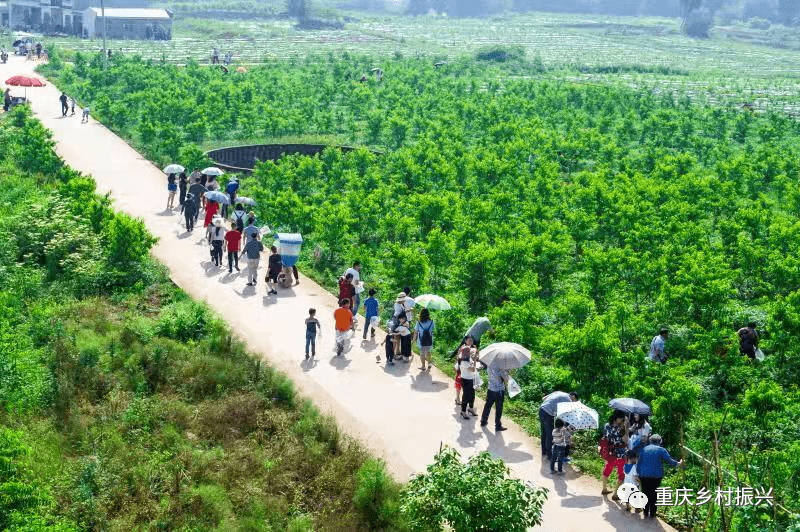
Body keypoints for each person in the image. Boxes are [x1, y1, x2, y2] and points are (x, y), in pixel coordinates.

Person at [637, 435, 682, 519]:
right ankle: (653, 513)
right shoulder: (661, 450)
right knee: (654, 494)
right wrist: (678, 463)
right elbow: (670, 461)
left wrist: (638, 474)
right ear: (659, 441)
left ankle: (645, 512)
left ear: (650, 441)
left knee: (645, 492)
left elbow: (639, 463)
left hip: (643, 475)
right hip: (656, 475)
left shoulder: (644, 449)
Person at [539, 391, 579, 460]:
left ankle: (544, 451)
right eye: (574, 401)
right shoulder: (568, 400)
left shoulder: (559, 392)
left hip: (542, 409)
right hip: (548, 413)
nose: (573, 402)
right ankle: (549, 455)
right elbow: (565, 415)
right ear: (573, 397)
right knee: (550, 434)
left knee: (544, 432)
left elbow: (544, 398)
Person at [600, 411, 628, 498]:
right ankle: (615, 494)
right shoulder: (621, 428)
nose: (622, 420)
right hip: (620, 452)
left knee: (607, 469)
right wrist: (626, 428)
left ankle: (604, 489)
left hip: (610, 452)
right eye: (622, 418)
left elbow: (605, 437)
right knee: (621, 473)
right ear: (618, 418)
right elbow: (625, 440)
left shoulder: (606, 426)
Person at [480, 363, 509, 432]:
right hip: (499, 391)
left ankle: (483, 421)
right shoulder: (501, 369)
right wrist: (506, 371)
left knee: (488, 405)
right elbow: (505, 379)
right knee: (499, 408)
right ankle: (498, 425)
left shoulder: (490, 366)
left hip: (491, 389)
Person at [457, 337, 479, 419]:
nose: (469, 352)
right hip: (466, 379)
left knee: (472, 394)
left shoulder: (467, 359)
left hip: (471, 378)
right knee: (466, 395)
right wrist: (474, 362)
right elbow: (473, 369)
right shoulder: (464, 362)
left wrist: (475, 357)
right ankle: (463, 411)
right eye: (467, 351)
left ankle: (471, 408)